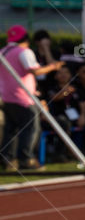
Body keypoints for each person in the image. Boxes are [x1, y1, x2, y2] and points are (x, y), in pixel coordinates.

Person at [1, 25, 64, 171]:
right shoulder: (24, 52)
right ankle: (26, 159)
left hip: (6, 95)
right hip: (23, 96)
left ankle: (8, 160)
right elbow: (34, 70)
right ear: (26, 39)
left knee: (10, 129)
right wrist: (53, 67)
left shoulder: (3, 52)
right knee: (30, 127)